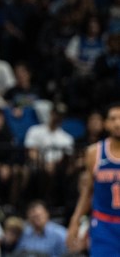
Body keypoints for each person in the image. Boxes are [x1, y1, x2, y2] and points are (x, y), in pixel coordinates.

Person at [67, 102, 120, 255]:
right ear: (106, 123)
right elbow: (87, 192)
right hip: (104, 225)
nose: (118, 123)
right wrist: (75, 221)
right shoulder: (94, 152)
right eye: (113, 118)